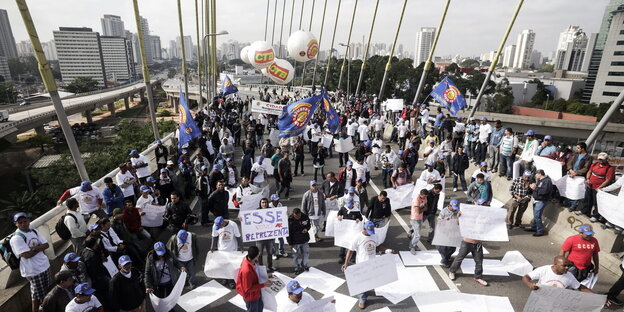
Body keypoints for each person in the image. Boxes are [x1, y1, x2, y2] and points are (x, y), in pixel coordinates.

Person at [341, 221, 394, 309]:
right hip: (361, 264)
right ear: (364, 229)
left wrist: (387, 250)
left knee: (369, 281)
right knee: (361, 283)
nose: (370, 234)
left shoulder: (374, 235)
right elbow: (350, 250)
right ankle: (362, 298)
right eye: (368, 232)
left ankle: (365, 291)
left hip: (372, 263)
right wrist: (346, 263)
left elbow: (377, 246)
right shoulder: (358, 237)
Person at [11, 212, 51, 312]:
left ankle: (44, 308)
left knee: (44, 292)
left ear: (28, 220)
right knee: (37, 295)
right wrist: (38, 248)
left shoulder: (33, 231)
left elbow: (46, 245)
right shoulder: (17, 238)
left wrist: (33, 249)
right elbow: (26, 255)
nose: (23, 224)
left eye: (25, 221)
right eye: (20, 223)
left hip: (44, 265)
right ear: (16, 224)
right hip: (33, 270)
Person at [448, 203, 489, 287]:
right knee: (459, 258)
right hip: (467, 242)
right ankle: (452, 271)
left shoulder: (484, 218)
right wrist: (459, 217)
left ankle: (478, 277)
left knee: (479, 261)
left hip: (477, 244)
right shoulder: (469, 216)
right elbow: (459, 224)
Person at [523, 255, 594, 292]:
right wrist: (530, 284)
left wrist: (599, 298)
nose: (567, 268)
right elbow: (526, 277)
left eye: (568, 266)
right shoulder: (544, 270)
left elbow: (580, 287)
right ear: (555, 264)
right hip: (541, 299)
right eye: (564, 266)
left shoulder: (569, 276)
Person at [236, 246, 273, 312]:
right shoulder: (246, 271)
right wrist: (264, 284)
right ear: (256, 256)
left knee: (260, 308)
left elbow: (256, 273)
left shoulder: (249, 259)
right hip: (251, 297)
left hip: (256, 293)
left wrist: (266, 276)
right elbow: (248, 289)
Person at [580, 152, 615, 222]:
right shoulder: (595, 164)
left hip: (598, 189)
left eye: (602, 159)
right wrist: (587, 179)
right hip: (590, 186)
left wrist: (600, 187)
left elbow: (607, 180)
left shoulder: (610, 168)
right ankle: (585, 211)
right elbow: (589, 172)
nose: (600, 161)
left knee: (597, 203)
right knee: (587, 200)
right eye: (599, 159)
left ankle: (595, 216)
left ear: (606, 159)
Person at [80, 236, 111, 309]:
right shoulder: (92, 256)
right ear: (94, 244)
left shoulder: (84, 251)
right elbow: (93, 271)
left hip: (97, 279)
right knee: (105, 296)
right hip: (99, 280)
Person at [567, 142, 592, 213]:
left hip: (580, 177)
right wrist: (570, 169)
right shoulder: (575, 155)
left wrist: (576, 172)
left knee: (577, 191)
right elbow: (569, 163)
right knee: (570, 189)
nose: (576, 149)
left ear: (583, 149)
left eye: (578, 148)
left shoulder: (588, 157)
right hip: (571, 174)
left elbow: (586, 168)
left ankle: (574, 206)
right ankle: (569, 203)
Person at [526, 169, 552, 237]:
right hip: (537, 200)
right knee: (535, 215)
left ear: (540, 174)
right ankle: (535, 227)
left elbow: (544, 192)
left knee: (537, 216)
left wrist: (535, 188)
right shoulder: (540, 181)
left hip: (541, 201)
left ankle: (540, 230)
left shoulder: (547, 181)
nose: (535, 175)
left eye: (536, 174)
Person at [255, 198, 277, 271]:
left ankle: (270, 266)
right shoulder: (256, 212)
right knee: (259, 254)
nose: (264, 204)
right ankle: (261, 267)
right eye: (262, 202)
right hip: (260, 238)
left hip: (269, 237)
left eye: (265, 202)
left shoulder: (271, 211)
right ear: (260, 203)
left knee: (270, 253)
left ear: (267, 203)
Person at [437, 200, 460, 267]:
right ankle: (444, 260)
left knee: (453, 248)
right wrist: (444, 220)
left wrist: (459, 218)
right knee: (443, 248)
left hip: (453, 232)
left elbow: (458, 222)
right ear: (449, 206)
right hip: (444, 232)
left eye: (455, 208)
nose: (454, 210)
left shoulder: (457, 212)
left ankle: (446, 257)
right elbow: (438, 221)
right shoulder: (444, 211)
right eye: (453, 208)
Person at [287, 208, 311, 274]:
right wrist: (289, 243)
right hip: (295, 242)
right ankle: (296, 267)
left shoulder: (305, 217)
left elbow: (309, 225)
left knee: (306, 253)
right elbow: (288, 233)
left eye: (298, 216)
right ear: (293, 214)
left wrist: (306, 229)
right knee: (295, 255)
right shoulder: (290, 220)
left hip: (304, 240)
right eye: (295, 216)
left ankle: (304, 265)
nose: (297, 217)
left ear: (300, 213)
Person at [410, 189, 429, 254]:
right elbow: (418, 212)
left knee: (416, 233)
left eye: (426, 196)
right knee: (418, 235)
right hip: (415, 218)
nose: (425, 197)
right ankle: (412, 246)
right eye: (424, 196)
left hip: (420, 218)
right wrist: (424, 209)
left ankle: (412, 238)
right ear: (421, 194)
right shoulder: (416, 199)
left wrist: (424, 208)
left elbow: (426, 205)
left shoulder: (425, 197)